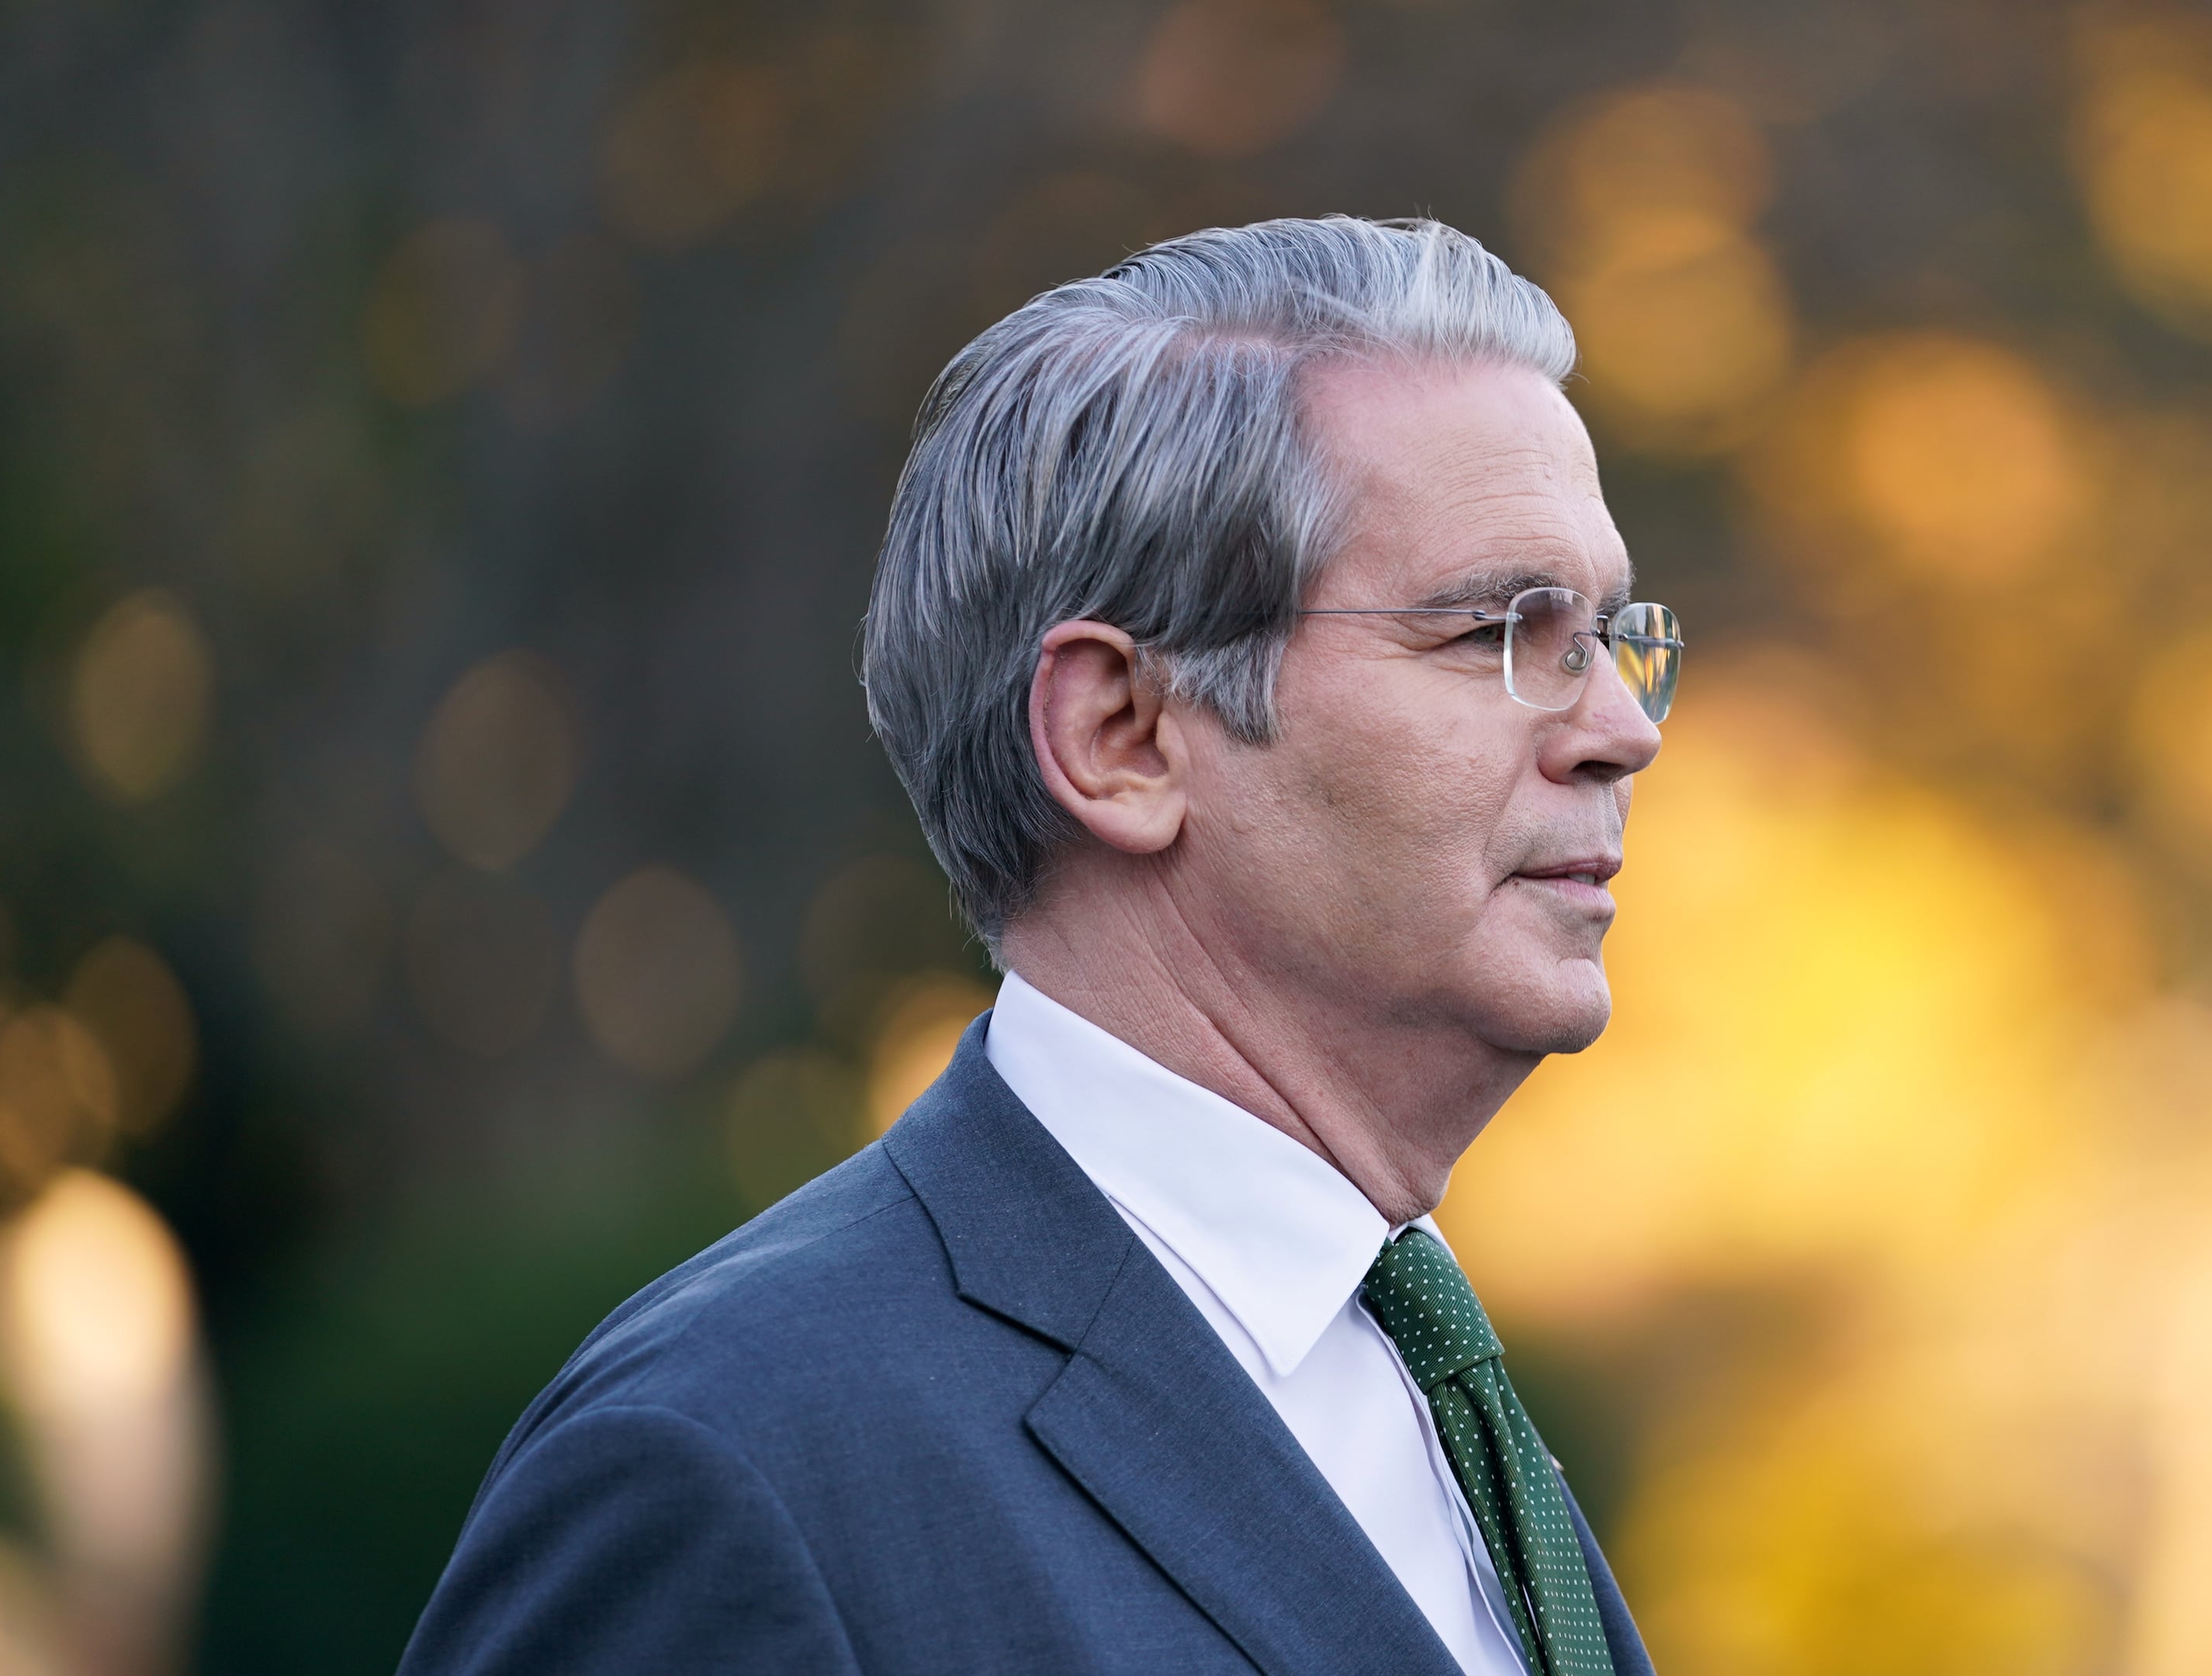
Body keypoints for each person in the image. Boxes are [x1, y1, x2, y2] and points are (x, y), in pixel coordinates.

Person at [399, 216, 1678, 1675]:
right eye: (1496, 632)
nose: (1622, 731)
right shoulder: (728, 1464)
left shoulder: (1436, 1392)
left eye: (1612, 636)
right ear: (1120, 735)